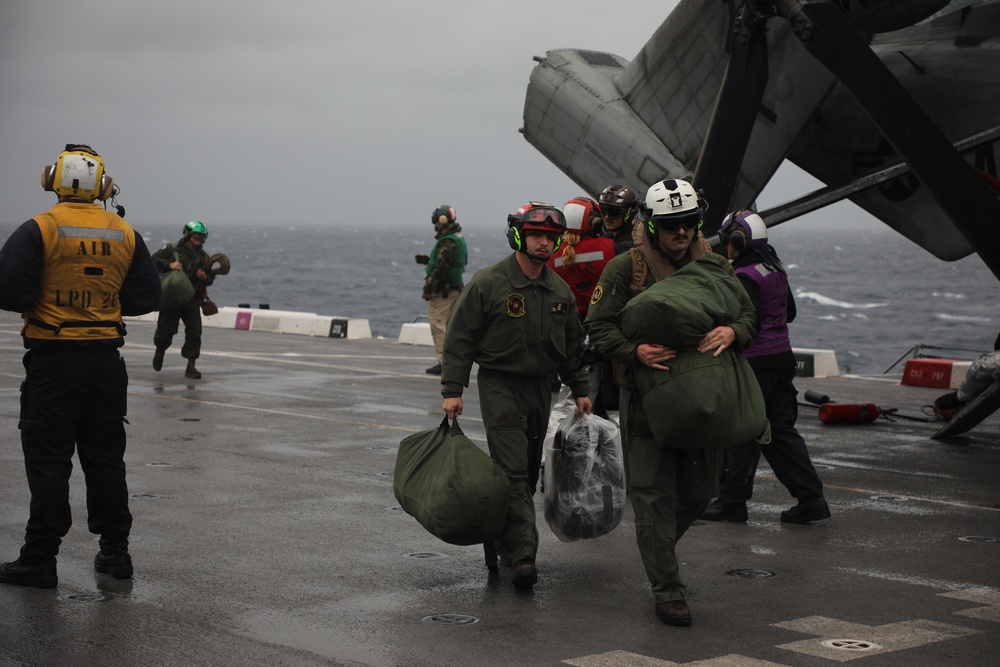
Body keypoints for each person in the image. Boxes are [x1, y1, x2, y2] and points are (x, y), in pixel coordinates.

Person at [586, 179, 757, 626]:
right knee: (652, 496)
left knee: (701, 493)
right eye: (672, 225)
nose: (682, 233)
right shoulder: (626, 270)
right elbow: (599, 326)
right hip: (647, 398)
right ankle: (667, 589)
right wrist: (633, 351)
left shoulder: (716, 265)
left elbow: (747, 315)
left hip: (703, 396)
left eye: (689, 224)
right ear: (652, 224)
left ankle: (655, 545)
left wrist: (733, 331)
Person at [0, 144, 160, 588]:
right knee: (106, 459)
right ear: (103, 187)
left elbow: (10, 292)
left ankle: (39, 558)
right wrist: (102, 304)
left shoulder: (40, 229)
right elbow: (147, 297)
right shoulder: (125, 232)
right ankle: (115, 553)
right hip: (106, 365)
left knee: (50, 461)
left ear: (52, 179)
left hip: (54, 364)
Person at [440, 202, 593, 590]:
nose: (544, 243)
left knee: (525, 472)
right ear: (520, 236)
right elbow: (460, 338)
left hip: (541, 388)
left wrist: (581, 388)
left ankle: (504, 541)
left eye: (551, 238)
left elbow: (572, 345)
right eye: (537, 235)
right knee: (511, 471)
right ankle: (525, 555)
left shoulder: (558, 290)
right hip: (500, 386)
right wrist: (453, 390)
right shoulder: (489, 283)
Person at [700, 210, 831, 525]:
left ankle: (731, 502)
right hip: (782, 361)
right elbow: (790, 314)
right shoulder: (774, 269)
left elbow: (748, 322)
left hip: (756, 365)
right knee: (781, 433)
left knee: (741, 432)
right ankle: (811, 498)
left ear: (737, 240)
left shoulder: (743, 275)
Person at [547, 197, 616, 418]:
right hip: (602, 330)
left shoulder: (554, 255)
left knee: (570, 399)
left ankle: (555, 448)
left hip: (570, 332)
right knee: (611, 404)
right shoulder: (608, 248)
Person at [152, 221, 214, 378]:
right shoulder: (172, 249)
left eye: (201, 236)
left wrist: (204, 277)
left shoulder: (204, 257)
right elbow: (153, 260)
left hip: (191, 297)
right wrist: (169, 264)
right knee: (166, 330)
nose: (198, 239)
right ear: (188, 234)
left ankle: (191, 365)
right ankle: (160, 351)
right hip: (172, 296)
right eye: (196, 235)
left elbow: (210, 279)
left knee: (195, 330)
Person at [414, 205, 467, 375]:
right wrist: (428, 261)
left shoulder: (447, 241)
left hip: (444, 291)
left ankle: (444, 363)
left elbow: (441, 268)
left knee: (439, 325)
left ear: (442, 220)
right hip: (455, 288)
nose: (435, 225)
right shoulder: (457, 238)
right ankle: (452, 362)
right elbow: (447, 263)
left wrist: (428, 289)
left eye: (437, 221)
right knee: (450, 326)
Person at [933, 331, 1000, 417]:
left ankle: (950, 404)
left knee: (962, 396)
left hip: (986, 365)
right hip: (986, 367)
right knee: (962, 396)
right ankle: (947, 407)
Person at [597, 184, 640, 255]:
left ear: (628, 213)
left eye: (613, 212)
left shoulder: (628, 246)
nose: (607, 217)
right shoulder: (609, 234)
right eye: (603, 210)